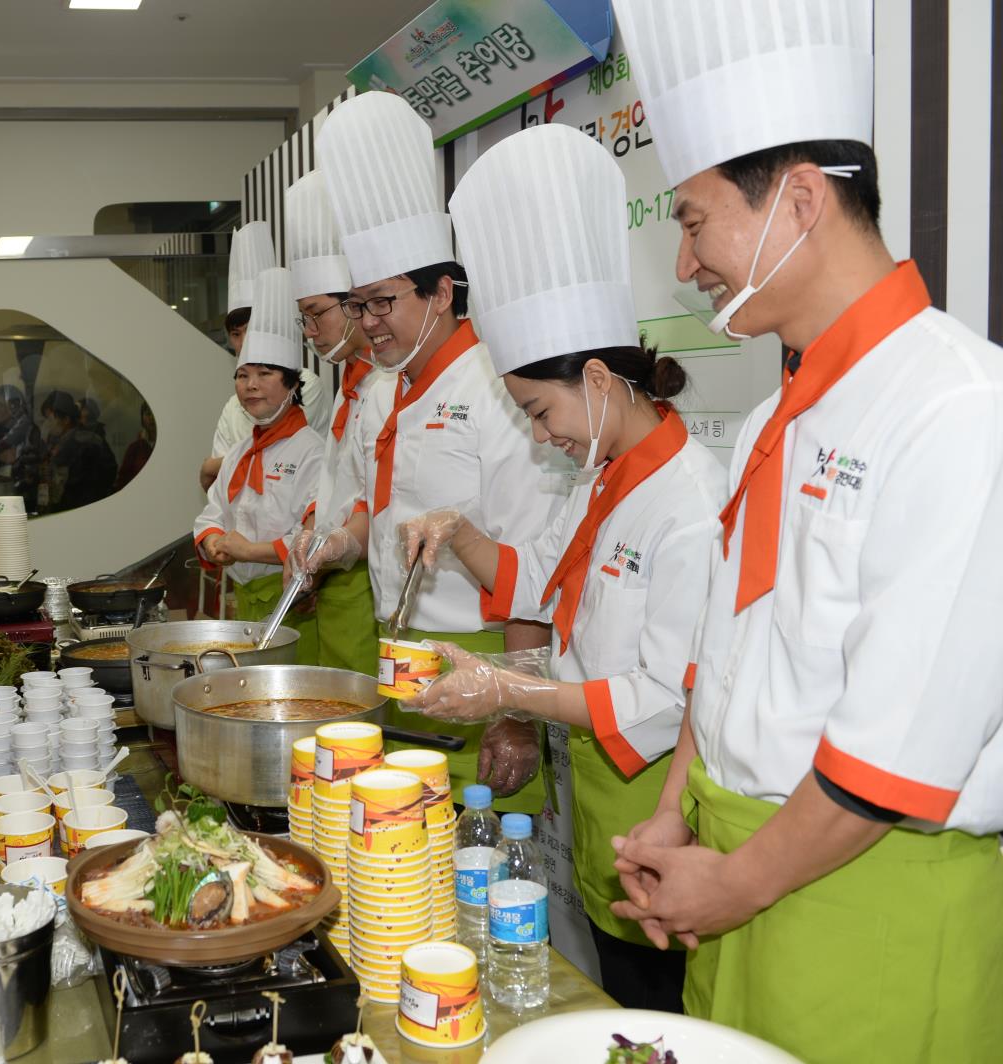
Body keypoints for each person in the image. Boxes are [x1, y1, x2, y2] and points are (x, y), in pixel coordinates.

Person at [601, 4, 1003, 1060]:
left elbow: (895, 747)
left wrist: (730, 881)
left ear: (801, 198)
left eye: (690, 221)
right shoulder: (782, 410)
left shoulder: (957, 405)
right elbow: (727, 653)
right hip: (738, 880)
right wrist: (678, 814)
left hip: (870, 903)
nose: (684, 263)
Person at [392, 123, 724, 1011]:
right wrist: (456, 528)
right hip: (595, 794)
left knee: (653, 1005)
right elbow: (538, 573)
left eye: (542, 412)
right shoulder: (603, 477)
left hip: (660, 800)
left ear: (600, 379)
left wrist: (507, 693)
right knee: (607, 988)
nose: (543, 437)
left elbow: (666, 696)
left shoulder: (688, 501)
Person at [302, 90, 568, 802]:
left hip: (479, 662)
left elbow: (531, 564)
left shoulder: (499, 389)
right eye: (357, 305)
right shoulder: (382, 389)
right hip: (399, 658)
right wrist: (339, 544)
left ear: (443, 291)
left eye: (384, 302)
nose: (369, 323)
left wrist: (513, 707)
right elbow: (379, 514)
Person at [281, 169, 386, 675]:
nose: (310, 332)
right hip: (336, 579)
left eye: (316, 313)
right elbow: (339, 482)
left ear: (352, 304)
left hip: (370, 584)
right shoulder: (351, 383)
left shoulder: (388, 383)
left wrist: (339, 540)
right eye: (302, 318)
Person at [194, 266, 323, 662]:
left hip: (293, 601)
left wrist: (251, 550)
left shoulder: (312, 451)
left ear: (292, 385)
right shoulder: (238, 453)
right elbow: (211, 512)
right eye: (243, 375)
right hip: (245, 599)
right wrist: (214, 540)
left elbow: (315, 535)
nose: (250, 385)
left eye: (265, 374)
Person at [198, 221, 330, 491]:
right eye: (236, 334)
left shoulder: (307, 385)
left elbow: (283, 462)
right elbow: (216, 489)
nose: (245, 343)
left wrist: (216, 465)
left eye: (252, 330)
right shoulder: (232, 406)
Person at [40, 390, 117, 512]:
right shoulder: (63, 441)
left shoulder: (81, 443)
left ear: (66, 420)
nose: (48, 425)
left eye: (51, 419)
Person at [114, 401, 156, 491]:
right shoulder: (134, 448)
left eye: (154, 414)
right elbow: (122, 480)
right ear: (142, 418)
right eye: (148, 414)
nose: (152, 418)